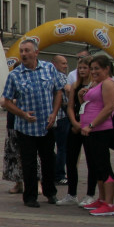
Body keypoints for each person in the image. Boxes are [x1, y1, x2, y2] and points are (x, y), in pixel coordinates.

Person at [1, 40, 66, 208]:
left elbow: (58, 91)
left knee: (48, 160)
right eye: (21, 51)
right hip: (26, 127)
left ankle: (50, 193)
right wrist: (22, 113)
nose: (23, 54)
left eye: (27, 50)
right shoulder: (15, 75)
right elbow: (6, 101)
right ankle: (30, 197)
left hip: (46, 124)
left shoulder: (49, 69)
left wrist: (54, 113)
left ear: (36, 53)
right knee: (28, 163)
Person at [78, 55, 114, 216]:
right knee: (95, 166)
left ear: (106, 69)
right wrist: (82, 95)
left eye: (97, 68)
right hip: (90, 131)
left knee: (103, 165)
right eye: (92, 68)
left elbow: (109, 108)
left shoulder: (108, 83)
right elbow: (88, 104)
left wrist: (91, 125)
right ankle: (102, 199)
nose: (93, 71)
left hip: (101, 130)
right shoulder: (96, 83)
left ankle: (109, 203)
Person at [60, 57, 96, 206]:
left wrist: (84, 124)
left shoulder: (95, 86)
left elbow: (92, 107)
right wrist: (75, 122)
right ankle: (71, 193)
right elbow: (70, 106)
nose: (82, 70)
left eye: (85, 67)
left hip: (90, 128)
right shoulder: (75, 85)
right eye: (79, 67)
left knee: (91, 161)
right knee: (71, 160)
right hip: (75, 126)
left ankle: (90, 194)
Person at [51, 55, 71, 185]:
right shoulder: (61, 77)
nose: (65, 66)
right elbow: (68, 91)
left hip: (51, 117)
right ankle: (59, 174)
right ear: (55, 64)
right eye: (63, 63)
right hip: (61, 117)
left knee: (50, 147)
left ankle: (51, 172)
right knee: (62, 148)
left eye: (66, 63)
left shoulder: (48, 76)